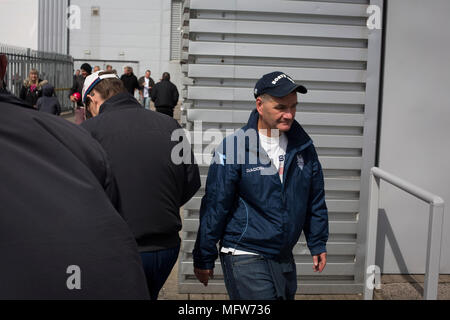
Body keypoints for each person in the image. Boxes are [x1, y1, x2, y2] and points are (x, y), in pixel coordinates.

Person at [0, 55, 149, 299]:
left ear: (91, 98)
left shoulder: (85, 133)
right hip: (122, 269)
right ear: (4, 66)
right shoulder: (73, 138)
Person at [192, 71, 329, 300]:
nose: (289, 114)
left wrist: (317, 241)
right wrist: (204, 257)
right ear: (260, 104)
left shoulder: (303, 146)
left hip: (282, 255)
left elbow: (314, 198)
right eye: (281, 107)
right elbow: (215, 205)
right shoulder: (234, 147)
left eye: (293, 107)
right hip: (244, 252)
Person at [80, 70, 201, 300]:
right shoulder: (169, 125)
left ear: (93, 97)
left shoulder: (88, 132)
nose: (89, 113)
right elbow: (191, 180)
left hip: (119, 249)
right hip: (166, 249)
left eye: (87, 107)